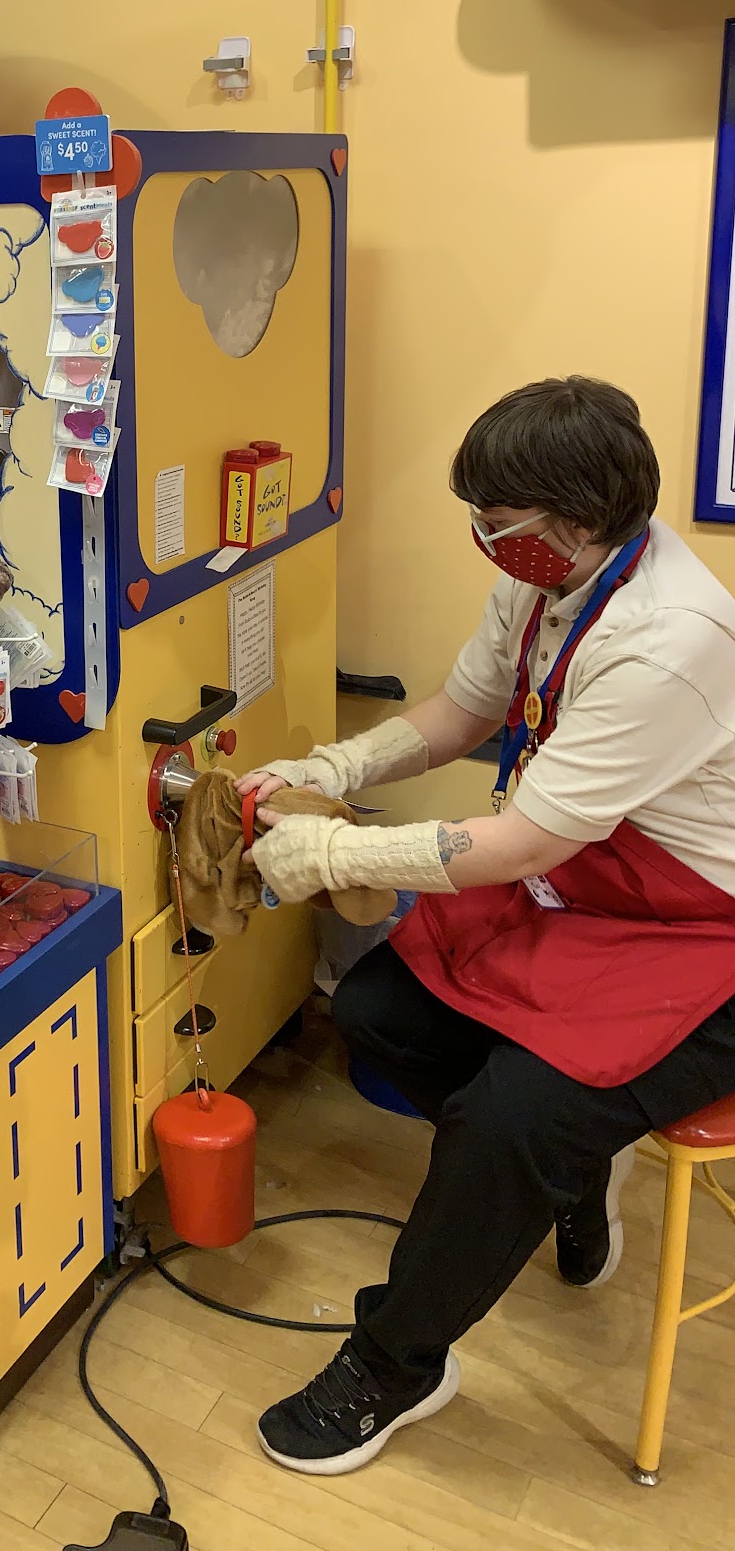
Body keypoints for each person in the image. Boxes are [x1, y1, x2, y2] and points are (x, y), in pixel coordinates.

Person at [239, 377, 735, 1477]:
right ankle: (572, 1168)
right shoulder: (551, 576)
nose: (483, 539)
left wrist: (335, 853)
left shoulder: (671, 637)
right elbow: (464, 711)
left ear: (579, 520)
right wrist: (336, 765)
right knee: (375, 1013)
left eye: (499, 523)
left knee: (511, 1121)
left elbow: (517, 846)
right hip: (593, 882)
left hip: (704, 933)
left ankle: (397, 1361)